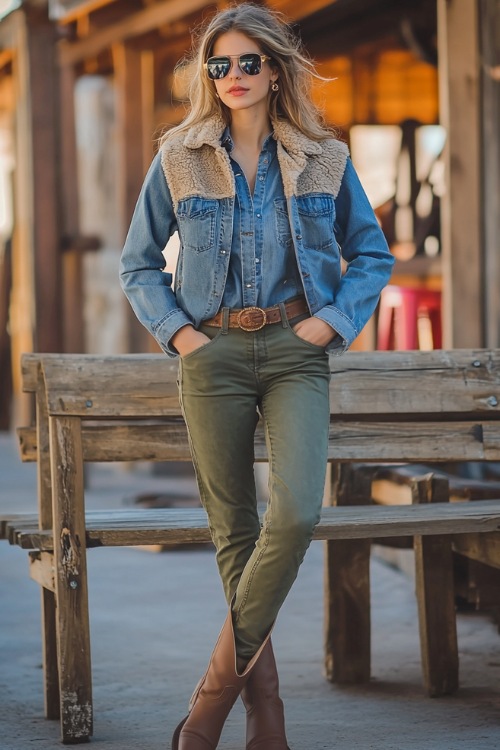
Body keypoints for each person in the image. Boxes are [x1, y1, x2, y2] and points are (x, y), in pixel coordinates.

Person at [119, 3, 394, 748]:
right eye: (219, 65)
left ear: (274, 70)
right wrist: (179, 335)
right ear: (208, 76)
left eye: (248, 62)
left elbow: (371, 254)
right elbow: (139, 263)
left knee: (297, 512)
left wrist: (331, 322)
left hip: (294, 350)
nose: (233, 76)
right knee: (235, 532)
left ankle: (207, 704)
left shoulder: (324, 157)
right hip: (211, 355)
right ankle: (266, 712)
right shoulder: (179, 155)